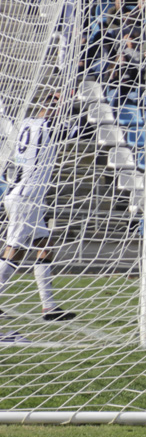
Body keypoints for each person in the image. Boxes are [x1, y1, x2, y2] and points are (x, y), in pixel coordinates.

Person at [0, 103, 72, 321]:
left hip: (24, 195)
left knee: (45, 246)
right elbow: (77, 128)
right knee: (14, 250)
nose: (58, 108)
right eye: (54, 102)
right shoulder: (48, 126)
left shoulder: (25, 125)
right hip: (26, 197)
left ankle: (49, 307)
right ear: (44, 108)